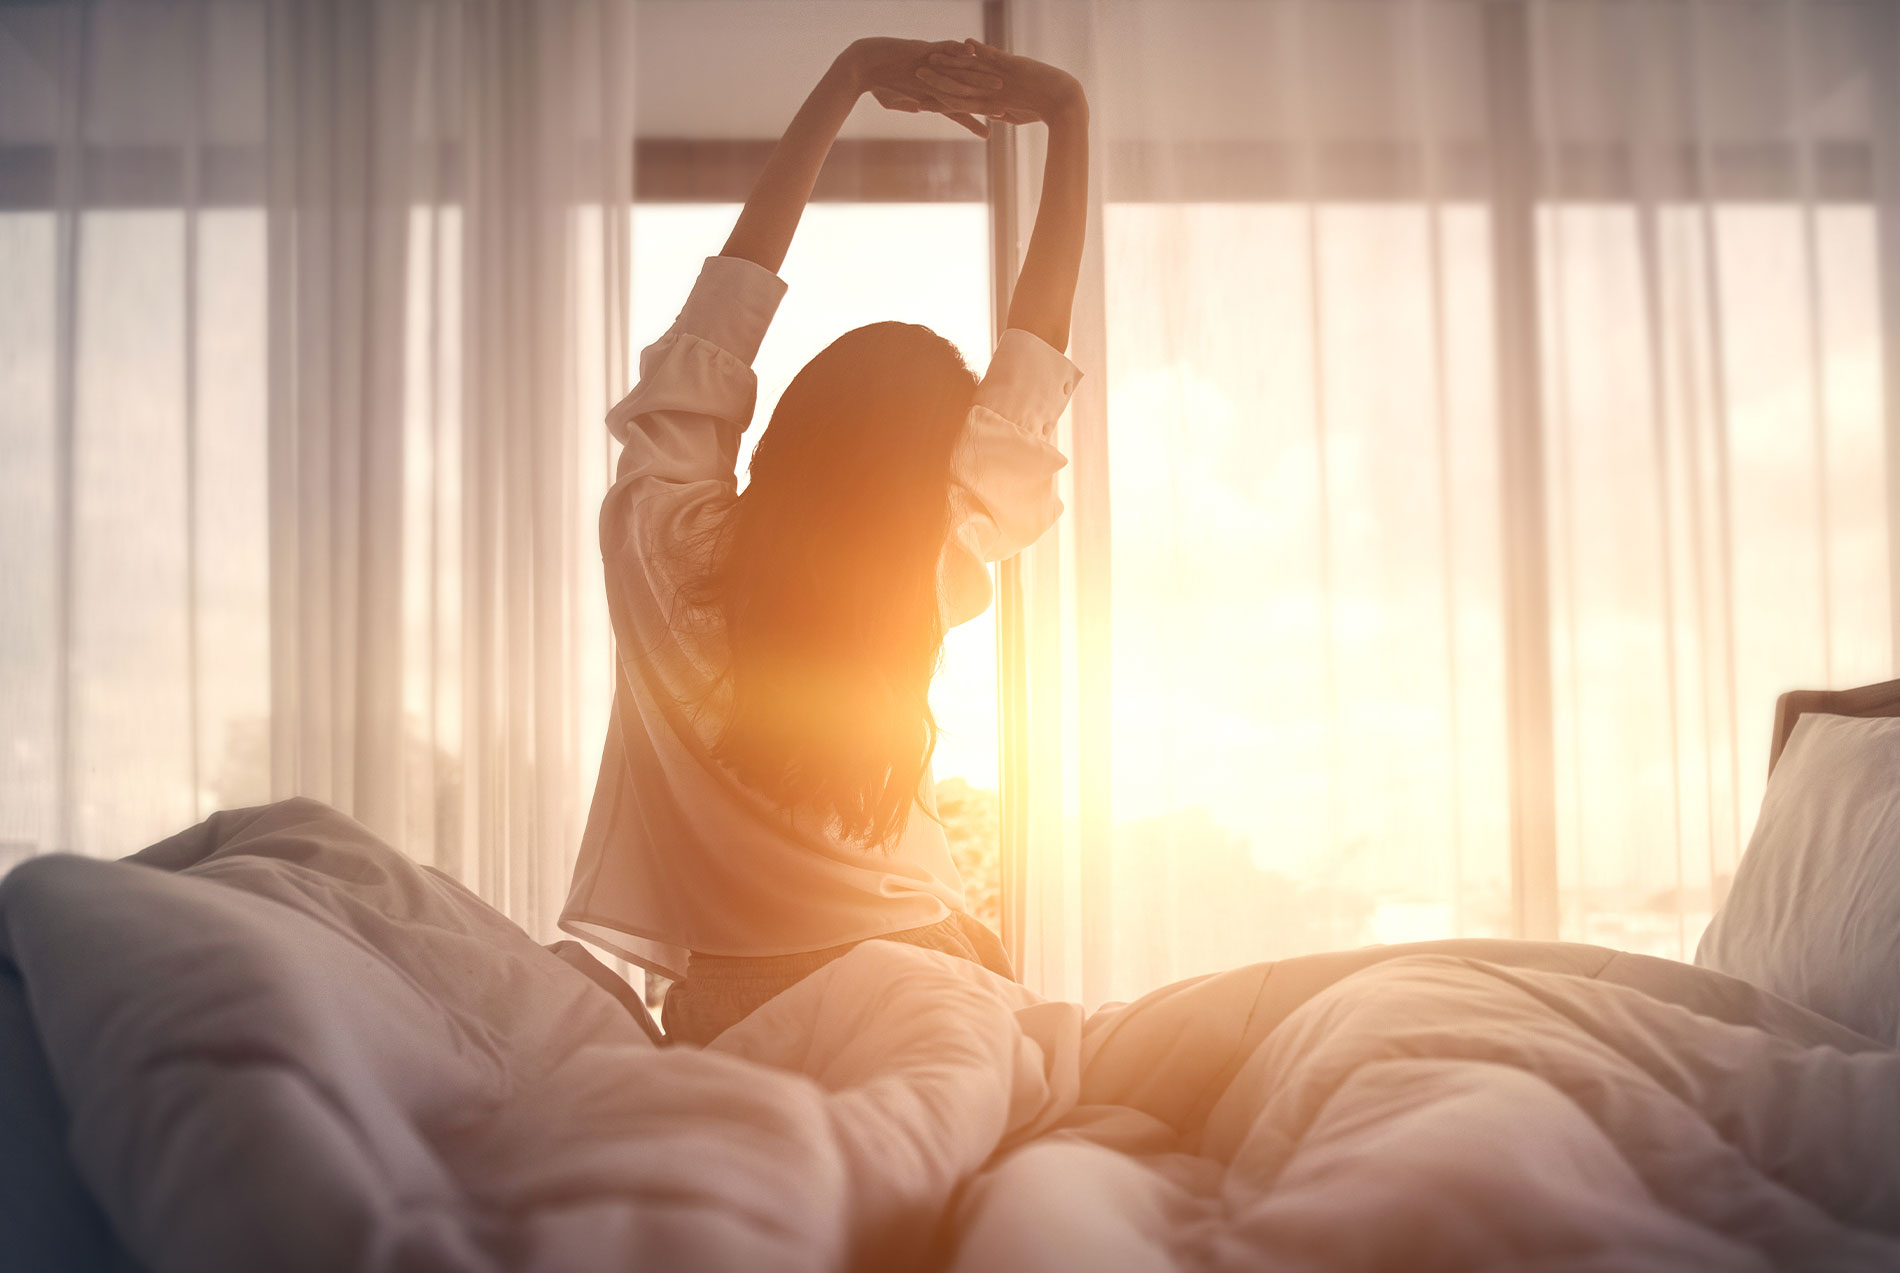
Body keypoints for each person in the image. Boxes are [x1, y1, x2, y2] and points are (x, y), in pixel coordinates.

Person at [559, 37, 1089, 1044]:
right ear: (926, 474)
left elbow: (721, 316)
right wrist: (1065, 116)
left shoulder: (655, 535)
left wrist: (845, 80)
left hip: (729, 1002)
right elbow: (1031, 364)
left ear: (790, 425)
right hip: (927, 969)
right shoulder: (923, 566)